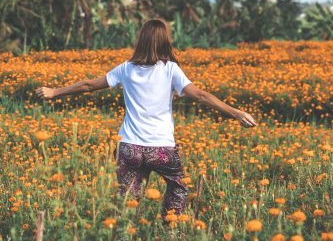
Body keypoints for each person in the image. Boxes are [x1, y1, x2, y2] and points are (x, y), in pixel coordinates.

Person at [35, 19, 258, 219]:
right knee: (179, 187)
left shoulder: (126, 69)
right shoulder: (171, 70)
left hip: (129, 147)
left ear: (141, 40)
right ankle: (169, 230)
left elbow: (88, 85)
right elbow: (201, 95)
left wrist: (55, 91)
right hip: (161, 149)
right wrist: (236, 113)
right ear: (165, 42)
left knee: (128, 202)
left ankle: (125, 239)